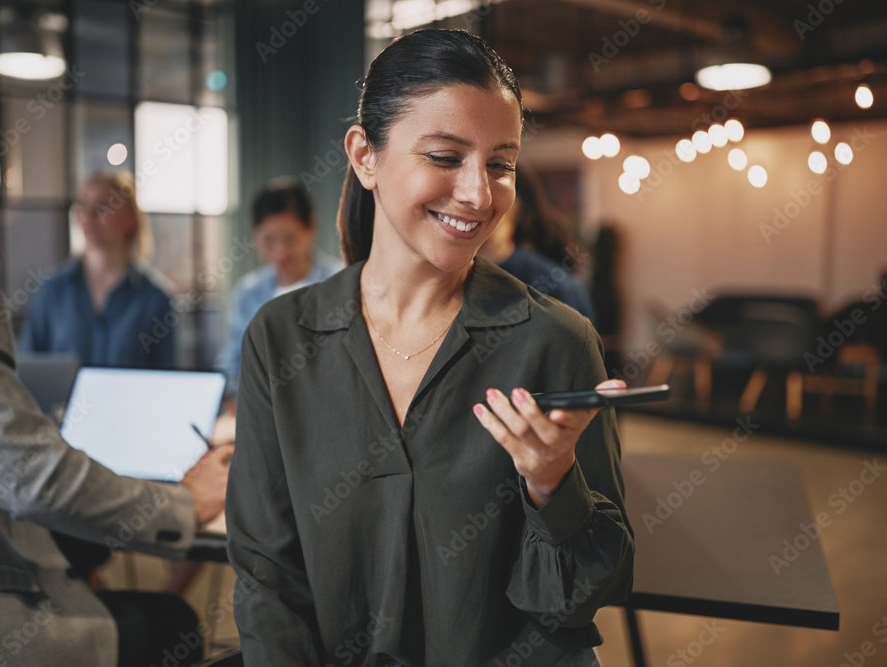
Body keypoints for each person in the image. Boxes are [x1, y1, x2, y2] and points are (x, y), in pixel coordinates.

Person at [226, 30, 634, 666]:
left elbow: (579, 601)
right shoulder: (281, 338)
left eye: (500, 165)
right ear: (365, 157)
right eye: (446, 158)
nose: (479, 194)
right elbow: (266, 578)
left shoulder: (555, 341)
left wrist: (553, 485)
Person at [0, 109, 232, 666]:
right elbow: (25, 475)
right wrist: (182, 504)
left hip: (108, 451)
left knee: (81, 543)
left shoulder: (154, 296)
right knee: (176, 625)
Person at [20, 170, 176, 369]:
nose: (88, 216)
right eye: (82, 205)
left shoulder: (155, 299)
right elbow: (29, 372)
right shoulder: (51, 290)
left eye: (102, 206)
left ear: (130, 218)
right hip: (61, 402)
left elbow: (164, 381)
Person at [215, 176, 340, 394]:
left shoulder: (339, 283)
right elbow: (231, 364)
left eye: (290, 239)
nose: (280, 252)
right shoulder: (248, 292)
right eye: (268, 241)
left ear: (311, 227)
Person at [478, 166, 597, 325]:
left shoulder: (554, 288)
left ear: (518, 206)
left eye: (493, 188)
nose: (478, 200)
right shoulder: (447, 278)